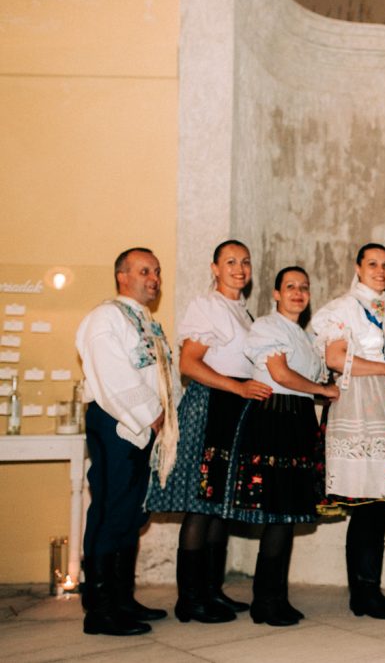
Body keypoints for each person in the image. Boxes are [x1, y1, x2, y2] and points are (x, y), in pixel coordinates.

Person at [146, 240, 273, 624]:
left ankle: (212, 590)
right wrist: (237, 387)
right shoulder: (207, 306)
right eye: (230, 261)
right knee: (202, 503)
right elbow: (189, 364)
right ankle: (190, 599)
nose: (239, 268)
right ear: (214, 268)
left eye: (245, 262)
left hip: (236, 407)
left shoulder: (243, 312)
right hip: (212, 404)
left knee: (222, 502)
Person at [311, 244, 385, 619]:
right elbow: (335, 358)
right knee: (365, 503)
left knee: (377, 503)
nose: (380, 270)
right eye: (372, 264)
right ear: (358, 268)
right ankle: (364, 593)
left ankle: (368, 590)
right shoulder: (344, 308)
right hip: (358, 406)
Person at [75, 247, 177, 635]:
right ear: (122, 276)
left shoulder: (147, 321)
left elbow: (159, 372)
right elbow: (111, 372)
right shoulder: (106, 317)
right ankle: (100, 609)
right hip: (118, 422)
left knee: (133, 512)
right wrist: (150, 412)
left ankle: (122, 598)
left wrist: (167, 415)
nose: (154, 279)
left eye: (157, 271)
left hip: (145, 425)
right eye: (144, 271)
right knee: (111, 509)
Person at [233, 266, 340, 626]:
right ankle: (264, 601)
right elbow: (280, 374)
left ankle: (277, 596)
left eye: (304, 287)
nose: (298, 292)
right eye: (290, 286)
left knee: (289, 514)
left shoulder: (305, 337)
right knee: (278, 513)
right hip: (274, 419)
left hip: (298, 419)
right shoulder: (267, 326)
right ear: (276, 294)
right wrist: (323, 390)